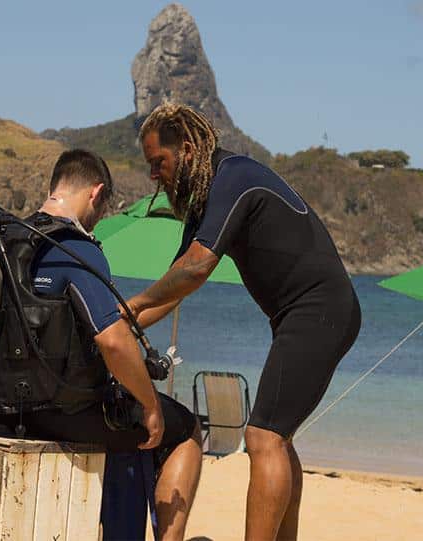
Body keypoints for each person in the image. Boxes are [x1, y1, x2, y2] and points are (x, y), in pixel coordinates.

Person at [125, 103, 362, 541]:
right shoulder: (206, 195)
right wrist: (124, 324)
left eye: (159, 162)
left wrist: (133, 305)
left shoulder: (233, 177)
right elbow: (178, 283)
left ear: (189, 149)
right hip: (304, 315)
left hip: (321, 309)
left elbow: (196, 269)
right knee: (278, 437)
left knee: (262, 436)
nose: (153, 175)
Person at [0, 149, 202, 541]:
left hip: (3, 408)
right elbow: (113, 341)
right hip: (63, 410)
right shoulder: (76, 248)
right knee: (181, 428)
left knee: (125, 422)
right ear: (96, 193)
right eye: (101, 210)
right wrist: (151, 405)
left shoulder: (4, 242)